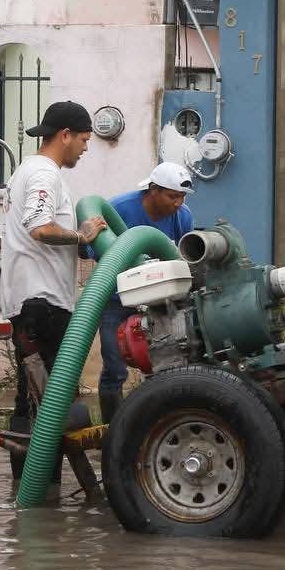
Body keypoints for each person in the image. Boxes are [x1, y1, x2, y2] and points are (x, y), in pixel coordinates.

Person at [0, 100, 108, 443]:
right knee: (54, 402)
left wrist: (77, 245)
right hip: (42, 303)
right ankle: (40, 488)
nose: (86, 148)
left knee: (32, 399)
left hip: (29, 301)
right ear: (65, 135)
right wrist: (82, 235)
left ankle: (32, 492)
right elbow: (40, 228)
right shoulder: (45, 173)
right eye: (84, 140)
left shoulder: (27, 170)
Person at [94, 162, 195, 423]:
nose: (178, 203)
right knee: (115, 367)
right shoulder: (119, 208)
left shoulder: (183, 217)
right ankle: (112, 431)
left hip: (160, 300)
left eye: (182, 197)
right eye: (173, 196)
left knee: (166, 363)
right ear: (153, 190)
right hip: (117, 298)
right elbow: (92, 250)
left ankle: (159, 424)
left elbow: (182, 258)